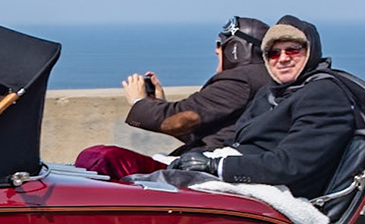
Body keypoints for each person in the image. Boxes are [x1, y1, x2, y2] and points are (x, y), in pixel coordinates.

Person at [168, 17, 359, 199]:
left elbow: (291, 165)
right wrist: (202, 157)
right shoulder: (272, 91)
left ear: (311, 52)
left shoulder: (324, 94)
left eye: (292, 50)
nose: (282, 58)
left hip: (280, 195)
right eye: (274, 53)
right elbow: (236, 141)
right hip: (248, 182)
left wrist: (215, 165)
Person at [75, 16, 272, 179]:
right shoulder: (261, 79)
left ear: (235, 50)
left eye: (220, 48)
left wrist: (139, 102)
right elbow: (203, 131)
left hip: (199, 170)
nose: (217, 52)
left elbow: (182, 118)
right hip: (210, 162)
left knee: (98, 157)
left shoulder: (240, 80)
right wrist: (159, 104)